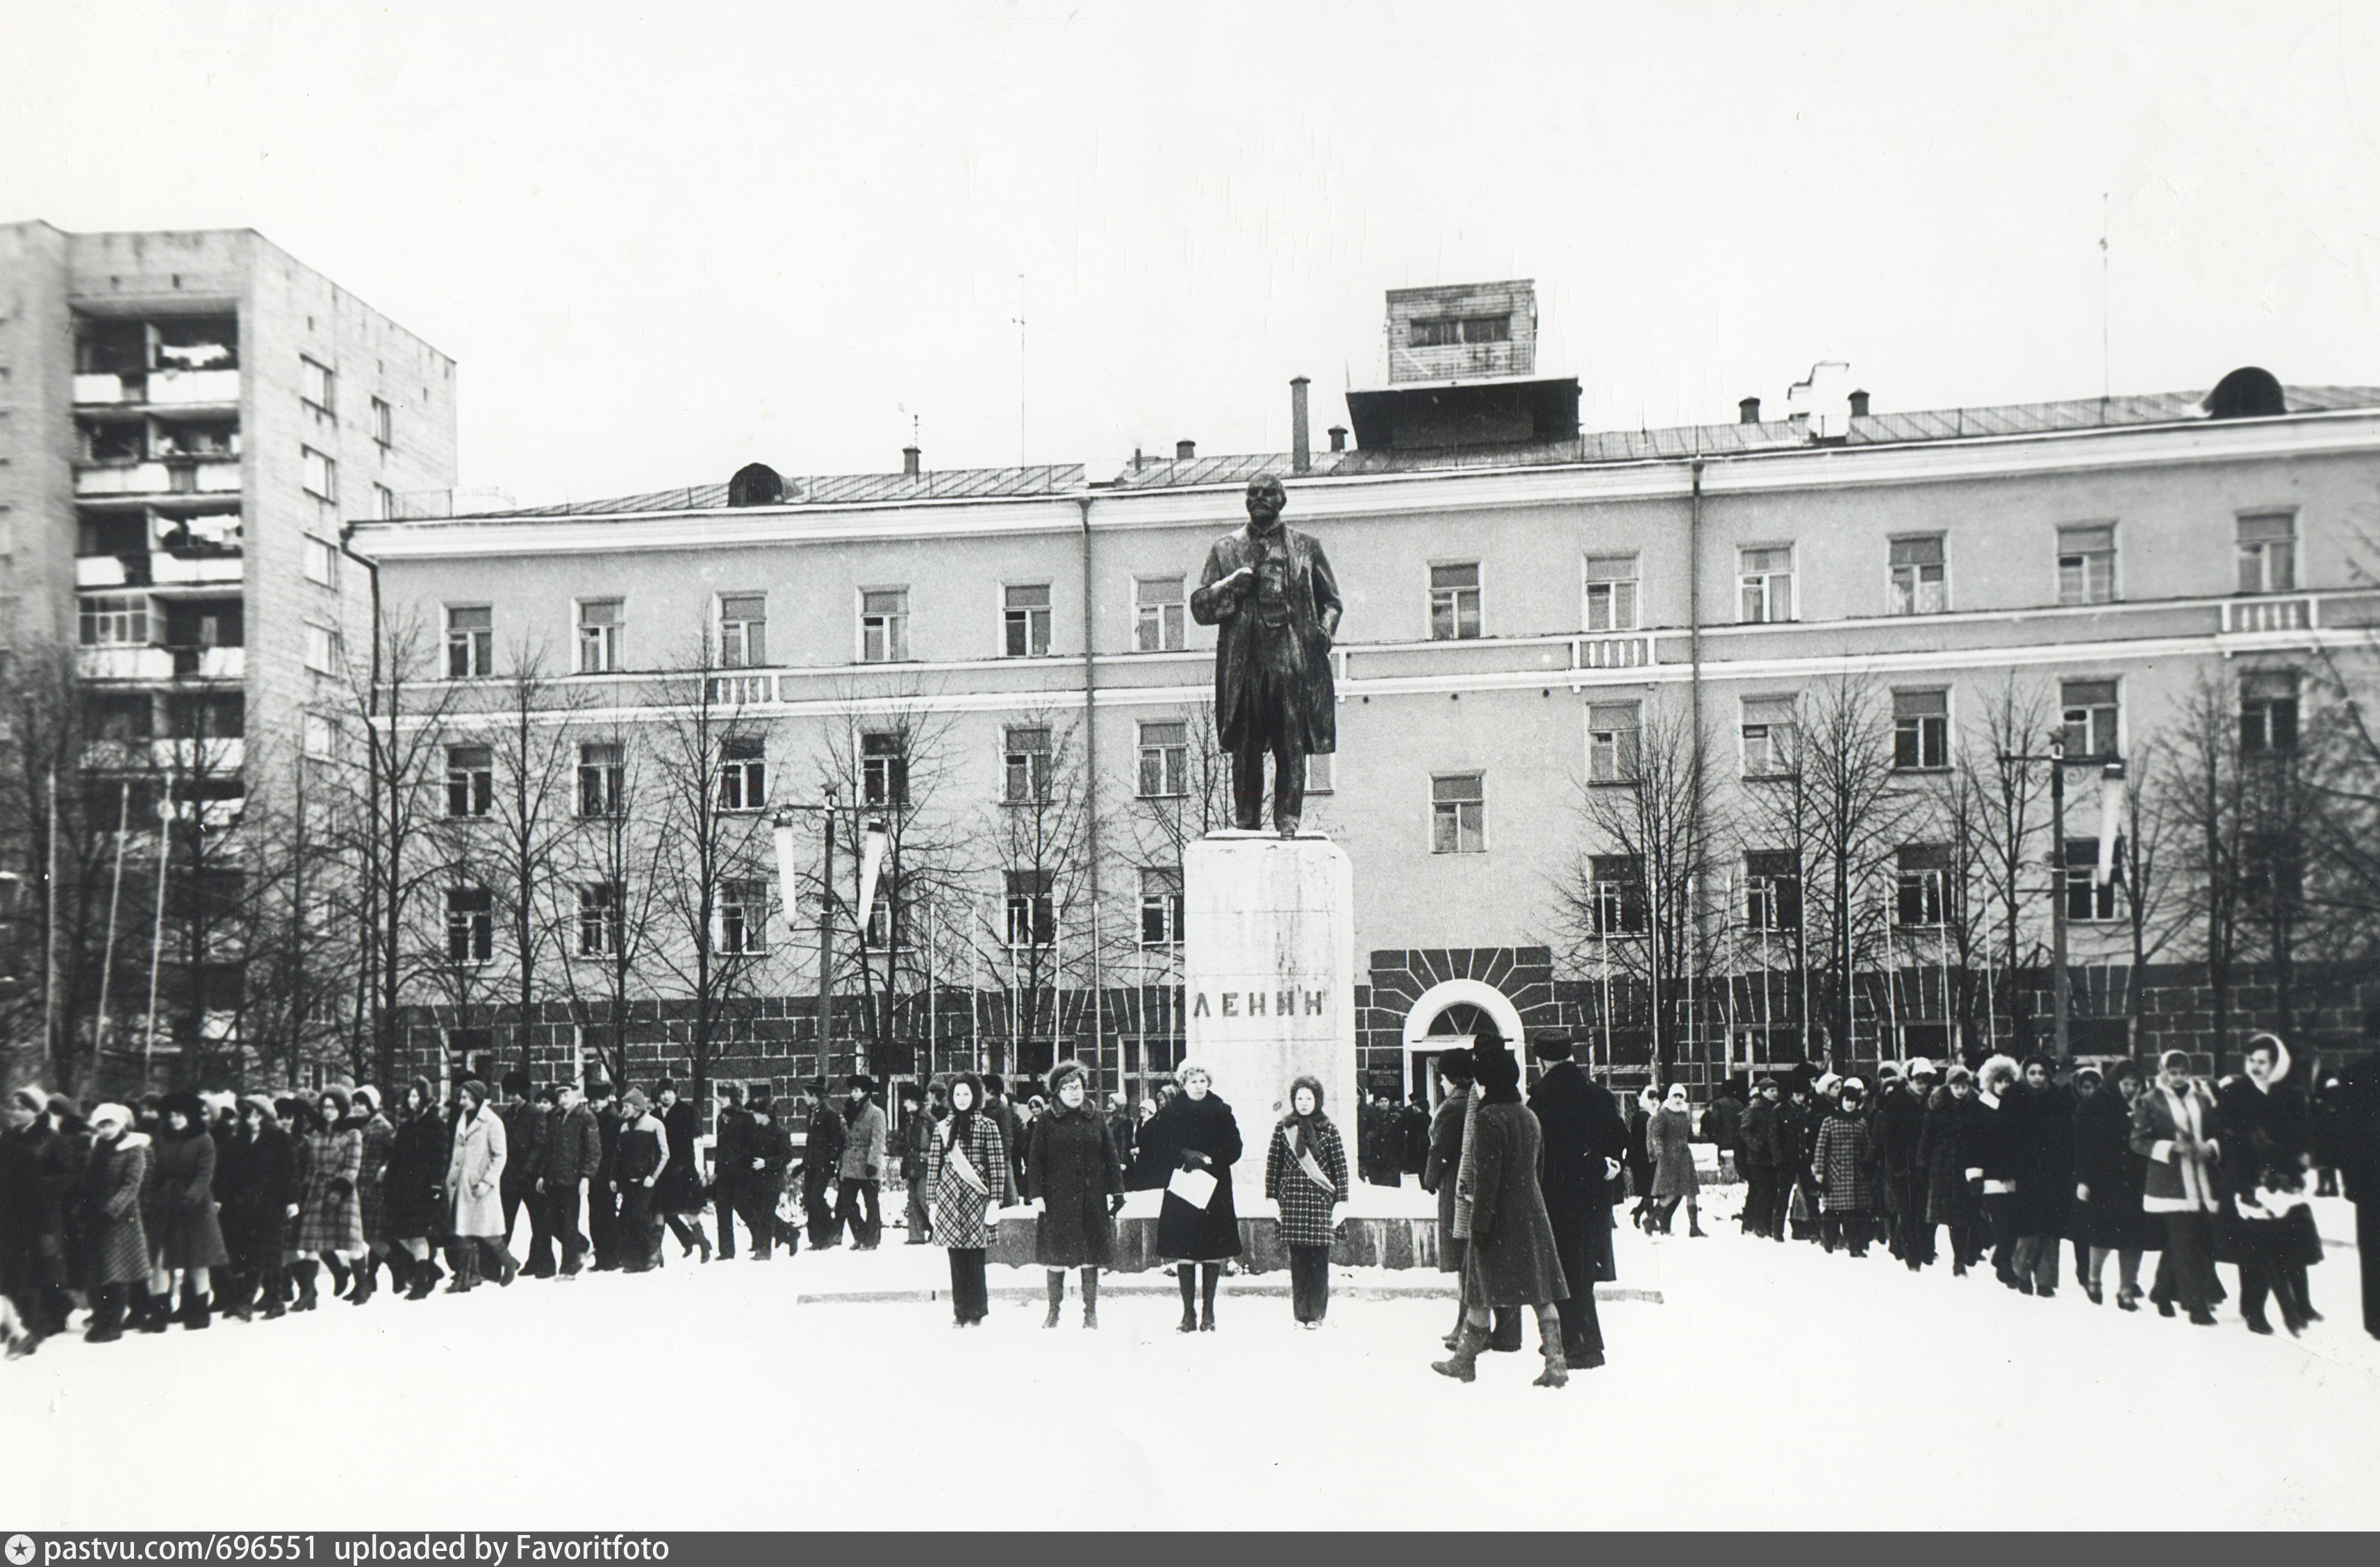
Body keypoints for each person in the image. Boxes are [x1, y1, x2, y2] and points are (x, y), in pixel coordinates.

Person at [1187, 472, 1344, 836]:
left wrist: (1324, 631)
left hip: (1292, 661)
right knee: (1246, 743)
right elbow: (1200, 608)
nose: (1259, 498)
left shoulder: (1307, 546)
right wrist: (1229, 586)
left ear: (1282, 500)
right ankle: (1246, 821)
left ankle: (1288, 819)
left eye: (1267, 492)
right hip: (1245, 663)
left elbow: (1332, 602)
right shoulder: (1225, 549)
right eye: (1252, 492)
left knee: (1291, 741)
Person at [1432, 1041, 1571, 1388]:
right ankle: (1557, 1363)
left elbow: (1487, 1178)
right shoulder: (1529, 1116)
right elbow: (1537, 1170)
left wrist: (1479, 1225)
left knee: (1480, 1289)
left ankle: (1464, 1362)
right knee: (1542, 1291)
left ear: (1486, 1082)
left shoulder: (1488, 1119)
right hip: (1532, 1214)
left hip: (1498, 1218)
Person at [2216, 1033, 2324, 1335]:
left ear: (2276, 1064)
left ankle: (2301, 1305)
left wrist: (2291, 1162)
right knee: (2254, 1250)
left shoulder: (2290, 1095)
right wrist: (2249, 1146)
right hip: (2245, 1180)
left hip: (2283, 1180)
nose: (2255, 1067)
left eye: (2262, 1062)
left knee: (2290, 1243)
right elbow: (2224, 1131)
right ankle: (2254, 1310)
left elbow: (2302, 1135)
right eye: (2251, 1060)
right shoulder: (2235, 1092)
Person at [1527, 1037, 1622, 1370]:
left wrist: (1593, 1163)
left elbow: (1560, 1148)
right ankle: (1586, 1342)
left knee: (1565, 1274)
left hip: (1560, 1197)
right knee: (1585, 1274)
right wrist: (1610, 1165)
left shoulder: (1544, 1097)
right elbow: (1619, 1135)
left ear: (1541, 1062)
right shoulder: (1597, 1092)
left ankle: (1578, 1346)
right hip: (1595, 1197)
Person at [1137, 1060, 1242, 1332]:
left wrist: (1210, 1159)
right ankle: (1188, 1314)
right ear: (1184, 1083)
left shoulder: (1221, 1110)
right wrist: (1183, 1154)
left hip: (1214, 1187)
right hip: (1183, 1185)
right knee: (1184, 1250)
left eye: (1203, 1081)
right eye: (1193, 1081)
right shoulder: (1172, 1112)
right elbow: (1156, 1143)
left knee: (1211, 1251)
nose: (1199, 1086)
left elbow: (1235, 1147)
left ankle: (1209, 1313)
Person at [1025, 1060, 1129, 1328]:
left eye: (1078, 1087)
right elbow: (1035, 1161)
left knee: (1090, 1258)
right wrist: (1036, 1194)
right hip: (1056, 1202)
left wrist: (1117, 1191)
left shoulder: (1096, 1117)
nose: (1074, 1092)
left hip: (1090, 1199)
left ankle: (1090, 1313)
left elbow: (1111, 1155)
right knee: (1055, 1258)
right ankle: (1053, 1312)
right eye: (1068, 1088)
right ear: (1057, 1093)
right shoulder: (1046, 1120)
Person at [2133, 1050, 2224, 1326]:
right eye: (2173, 1073)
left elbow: (2217, 1131)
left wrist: (2210, 1147)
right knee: (2185, 1242)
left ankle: (2161, 1292)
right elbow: (2138, 1141)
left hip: (2202, 1180)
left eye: (2183, 1072)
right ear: (2163, 1073)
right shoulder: (2150, 1101)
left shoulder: (2203, 1099)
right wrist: (2171, 1148)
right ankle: (2196, 1305)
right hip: (2170, 1183)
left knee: (2191, 1241)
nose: (2178, 1078)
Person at [927, 1074, 1014, 1327]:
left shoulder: (987, 1125)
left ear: (975, 1096)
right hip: (950, 1200)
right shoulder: (942, 1126)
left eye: (967, 1094)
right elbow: (934, 1165)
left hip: (978, 1199)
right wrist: (932, 1200)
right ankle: (959, 1312)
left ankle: (976, 1312)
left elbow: (997, 1166)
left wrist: (995, 1201)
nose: (962, 1099)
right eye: (957, 1095)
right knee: (955, 1259)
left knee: (976, 1259)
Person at [2073, 1059, 2159, 1309]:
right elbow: (2083, 1147)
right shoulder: (2094, 1106)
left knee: (2134, 1238)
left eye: (2135, 1084)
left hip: (2136, 1180)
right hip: (2105, 1180)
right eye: (2126, 1083)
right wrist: (2084, 1181)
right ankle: (2094, 1280)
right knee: (2103, 1235)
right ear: (2115, 1082)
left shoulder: (2146, 1106)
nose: (2130, 1089)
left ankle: (2127, 1290)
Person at [1264, 1074, 1349, 1328]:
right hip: (1292, 1201)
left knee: (1319, 1261)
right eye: (1299, 1098)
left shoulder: (1329, 1128)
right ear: (1293, 1100)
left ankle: (1317, 1314)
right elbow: (1273, 1165)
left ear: (1317, 1100)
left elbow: (1340, 1167)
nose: (1303, 1103)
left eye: (1308, 1098)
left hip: (1321, 1201)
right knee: (1298, 1262)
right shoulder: (1284, 1128)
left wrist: (1342, 1200)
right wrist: (1271, 1197)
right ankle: (1300, 1314)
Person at [142, 1093, 229, 1329]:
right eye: (171, 1115)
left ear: (189, 1116)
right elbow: (157, 1171)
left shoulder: (204, 1140)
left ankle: (199, 1312)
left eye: (179, 1115)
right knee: (160, 1259)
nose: (175, 1120)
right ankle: (159, 1313)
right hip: (166, 1203)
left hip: (195, 1205)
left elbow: (205, 1174)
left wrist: (190, 1198)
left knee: (197, 1260)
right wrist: (153, 1196)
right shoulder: (163, 1139)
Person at [0, 1086, 68, 1351]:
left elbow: (68, 1175)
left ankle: (34, 1321)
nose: (17, 1113)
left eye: (23, 1108)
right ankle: (14, 1323)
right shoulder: (8, 1137)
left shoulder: (51, 1139)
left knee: (36, 1267)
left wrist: (39, 1186)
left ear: (37, 1112)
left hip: (42, 1211)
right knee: (14, 1268)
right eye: (14, 1108)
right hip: (11, 1211)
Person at [79, 1104, 151, 1343]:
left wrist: (111, 1210)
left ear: (121, 1124)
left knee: (116, 1270)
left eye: (110, 1124)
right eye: (101, 1125)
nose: (106, 1130)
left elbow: (131, 1185)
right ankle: (103, 1316)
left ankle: (113, 1324)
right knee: (99, 1270)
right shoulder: (98, 1148)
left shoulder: (133, 1149)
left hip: (122, 1218)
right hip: (95, 1215)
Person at [1419, 1049, 1475, 1348]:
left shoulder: (1455, 1106)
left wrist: (1429, 1180)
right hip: (1463, 1183)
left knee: (1465, 1258)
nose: (1440, 1083)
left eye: (1442, 1077)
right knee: (1469, 1258)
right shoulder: (1472, 1099)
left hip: (1455, 1185)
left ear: (1453, 1078)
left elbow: (1440, 1149)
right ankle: (1465, 1321)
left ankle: (1465, 1323)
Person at [2005, 1055, 2074, 1298]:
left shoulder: (2059, 1099)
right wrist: (2008, 1173)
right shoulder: (2013, 1098)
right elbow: (2005, 1140)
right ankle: (2022, 1273)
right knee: (2028, 1230)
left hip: (2053, 1173)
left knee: (2050, 1231)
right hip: (2024, 1173)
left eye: (2041, 1073)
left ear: (2048, 1075)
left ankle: (2046, 1281)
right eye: (2032, 1072)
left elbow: (2067, 1138)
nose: (2037, 1077)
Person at [293, 1086, 366, 1311]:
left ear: (342, 1109)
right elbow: (309, 1167)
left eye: (333, 1107)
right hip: (317, 1191)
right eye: (325, 1107)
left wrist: (339, 1190)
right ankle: (307, 1295)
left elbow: (353, 1166)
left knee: (351, 1243)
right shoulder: (315, 1134)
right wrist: (304, 1190)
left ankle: (363, 1286)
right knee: (311, 1244)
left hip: (341, 1193)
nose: (328, 1111)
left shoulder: (352, 1134)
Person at [445, 1078, 515, 1291]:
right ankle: (466, 1277)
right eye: (461, 1098)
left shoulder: (492, 1122)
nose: (463, 1101)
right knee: (462, 1231)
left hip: (480, 1188)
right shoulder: (463, 1118)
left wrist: (487, 1182)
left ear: (477, 1098)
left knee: (489, 1233)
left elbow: (500, 1156)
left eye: (467, 1098)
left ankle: (509, 1262)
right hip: (460, 1185)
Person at [1919, 1066, 1988, 1274]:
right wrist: (1923, 1161)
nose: (1960, 1090)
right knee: (1949, 1215)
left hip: (1969, 1163)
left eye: (1964, 1086)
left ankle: (1967, 1254)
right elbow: (1927, 1134)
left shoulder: (1977, 1104)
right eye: (1956, 1086)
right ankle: (1951, 1257)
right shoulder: (1938, 1104)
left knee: (1968, 1214)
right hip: (1943, 1164)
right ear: (1949, 1086)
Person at [383, 1080, 448, 1299]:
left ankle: (420, 1283)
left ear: (425, 1098)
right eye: (409, 1097)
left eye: (416, 1096)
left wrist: (436, 1184)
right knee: (400, 1234)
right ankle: (430, 1269)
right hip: (403, 1188)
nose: (412, 1101)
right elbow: (396, 1157)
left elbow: (441, 1157)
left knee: (418, 1235)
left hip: (424, 1187)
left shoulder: (435, 1123)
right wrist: (389, 1183)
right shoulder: (407, 1125)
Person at [1874, 1059, 1938, 1268]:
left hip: (1924, 1167)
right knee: (1908, 1213)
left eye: (1925, 1080)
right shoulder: (1897, 1103)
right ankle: (1913, 1260)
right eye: (1917, 1079)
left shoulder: (1931, 1102)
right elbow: (1887, 1139)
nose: (1921, 1084)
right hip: (1901, 1168)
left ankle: (1915, 1250)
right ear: (1909, 1079)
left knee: (1923, 1212)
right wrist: (1897, 1166)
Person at [538, 1079, 603, 1278]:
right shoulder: (555, 1116)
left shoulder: (586, 1117)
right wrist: (542, 1174)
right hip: (553, 1178)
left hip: (573, 1179)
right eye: (560, 1096)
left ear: (576, 1094)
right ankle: (582, 1245)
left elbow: (594, 1151)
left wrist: (586, 1177)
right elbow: (547, 1149)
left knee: (569, 1223)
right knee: (550, 1221)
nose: (563, 1099)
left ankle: (568, 1268)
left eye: (566, 1095)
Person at [1810, 1079, 1878, 1257]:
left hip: (1857, 1175)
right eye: (1847, 1100)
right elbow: (1821, 1148)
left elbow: (1867, 1146)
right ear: (1841, 1101)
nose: (1850, 1104)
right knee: (1833, 1210)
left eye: (1854, 1101)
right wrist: (1819, 1172)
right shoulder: (1830, 1122)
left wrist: (1868, 1165)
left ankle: (1855, 1246)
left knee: (1856, 1213)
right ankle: (1829, 1240)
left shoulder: (1861, 1123)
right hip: (1836, 1173)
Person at [654, 1080, 713, 1263]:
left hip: (682, 1169)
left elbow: (689, 1142)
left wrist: (681, 1164)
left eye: (669, 1092)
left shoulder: (687, 1112)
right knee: (659, 1211)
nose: (665, 1096)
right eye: (662, 1092)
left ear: (676, 1093)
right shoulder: (654, 1114)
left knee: (688, 1211)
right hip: (661, 1170)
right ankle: (657, 1254)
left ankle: (703, 1245)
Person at [497, 1071, 550, 1275]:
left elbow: (540, 1144)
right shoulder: (507, 1115)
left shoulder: (536, 1114)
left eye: (514, 1094)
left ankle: (541, 1265)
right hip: (510, 1177)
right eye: (508, 1094)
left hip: (530, 1177)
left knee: (539, 1224)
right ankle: (494, 1267)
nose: (511, 1098)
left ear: (523, 1093)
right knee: (504, 1222)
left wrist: (529, 1169)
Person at [611, 1088, 668, 1272]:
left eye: (626, 1106)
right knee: (625, 1220)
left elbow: (664, 1154)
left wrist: (653, 1176)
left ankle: (653, 1251)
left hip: (647, 1182)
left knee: (638, 1216)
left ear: (636, 1106)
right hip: (629, 1181)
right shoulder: (625, 1127)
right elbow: (618, 1156)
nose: (623, 1109)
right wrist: (614, 1177)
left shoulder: (654, 1124)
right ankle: (635, 1261)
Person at [350, 1086, 397, 1302]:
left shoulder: (383, 1127)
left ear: (371, 1104)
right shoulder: (355, 1126)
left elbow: (395, 1155)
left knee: (371, 1235)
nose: (358, 1107)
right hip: (357, 1187)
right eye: (356, 1103)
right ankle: (368, 1280)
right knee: (362, 1235)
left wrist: (385, 1168)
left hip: (375, 1188)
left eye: (362, 1103)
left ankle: (398, 1270)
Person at [1646, 1083, 1705, 1236]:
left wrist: (1701, 1137)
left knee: (1691, 1191)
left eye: (1681, 1096)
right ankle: (1651, 1219)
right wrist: (1659, 1151)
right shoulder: (1663, 1114)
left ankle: (1694, 1227)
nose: (1678, 1099)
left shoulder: (1684, 1114)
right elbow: (1657, 1135)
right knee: (1672, 1193)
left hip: (1685, 1157)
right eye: (1675, 1096)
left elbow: (1688, 1135)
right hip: (1670, 1157)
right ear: (1670, 1098)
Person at [838, 1075, 888, 1250]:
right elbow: (844, 1140)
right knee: (847, 1202)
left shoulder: (876, 1113)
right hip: (851, 1164)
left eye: (857, 1090)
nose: (853, 1094)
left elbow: (878, 1139)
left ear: (866, 1092)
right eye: (852, 1090)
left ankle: (872, 1239)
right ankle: (860, 1235)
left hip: (868, 1165)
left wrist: (872, 1162)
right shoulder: (848, 1112)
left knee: (871, 1203)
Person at [742, 1093, 795, 1259]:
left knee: (766, 1216)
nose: (754, 1117)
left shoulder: (780, 1132)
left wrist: (766, 1163)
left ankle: (765, 1251)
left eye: (756, 1113)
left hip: (772, 1181)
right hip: (756, 1181)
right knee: (762, 1214)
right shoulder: (756, 1130)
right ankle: (790, 1234)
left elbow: (787, 1156)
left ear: (765, 1115)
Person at [796, 1080, 845, 1250]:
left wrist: (831, 1161)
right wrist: (803, 1164)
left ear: (814, 1097)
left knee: (816, 1199)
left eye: (806, 1095)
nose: (804, 1098)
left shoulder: (829, 1114)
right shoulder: (812, 1113)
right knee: (809, 1200)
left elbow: (837, 1141)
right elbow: (811, 1142)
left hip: (823, 1165)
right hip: (811, 1164)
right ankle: (816, 1239)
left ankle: (830, 1233)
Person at [711, 1084, 757, 1260]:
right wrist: (716, 1170)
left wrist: (742, 1163)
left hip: (741, 1173)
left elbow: (751, 1146)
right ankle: (726, 1251)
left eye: (724, 1097)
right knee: (722, 1210)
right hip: (724, 1173)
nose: (720, 1100)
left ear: (733, 1099)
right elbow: (719, 1147)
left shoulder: (746, 1119)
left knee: (743, 1207)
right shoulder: (720, 1119)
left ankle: (763, 1237)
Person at [1739, 1077, 1784, 1241]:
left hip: (1773, 1156)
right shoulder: (1754, 1108)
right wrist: (1757, 1144)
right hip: (1758, 1158)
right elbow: (1744, 1130)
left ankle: (1767, 1224)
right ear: (1763, 1092)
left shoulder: (1776, 1108)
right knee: (1762, 1192)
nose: (1775, 1093)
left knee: (1773, 1192)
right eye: (1771, 1090)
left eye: (1776, 1090)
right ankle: (1758, 1225)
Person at [900, 1083, 935, 1245]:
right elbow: (907, 1145)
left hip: (926, 1165)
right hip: (913, 1163)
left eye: (906, 1100)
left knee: (924, 1197)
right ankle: (916, 1235)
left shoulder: (928, 1119)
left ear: (914, 1101)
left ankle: (939, 1230)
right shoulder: (909, 1119)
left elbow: (937, 1145)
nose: (904, 1104)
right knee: (912, 1199)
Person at [1624, 1087, 1657, 1232]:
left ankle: (1640, 1213)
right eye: (1651, 1099)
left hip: (1644, 1158)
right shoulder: (1644, 1117)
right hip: (1644, 1159)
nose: (1654, 1102)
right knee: (1650, 1190)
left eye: (1656, 1099)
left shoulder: (1646, 1115)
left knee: (1649, 1190)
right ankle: (1648, 1218)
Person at [1701, 1078, 1745, 1183]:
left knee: (1722, 1161)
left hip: (1722, 1138)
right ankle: (1737, 1178)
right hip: (1737, 1138)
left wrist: (1715, 1133)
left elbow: (1714, 1120)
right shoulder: (1739, 1105)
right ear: (1734, 1091)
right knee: (1737, 1160)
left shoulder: (1718, 1104)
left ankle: (1725, 1179)